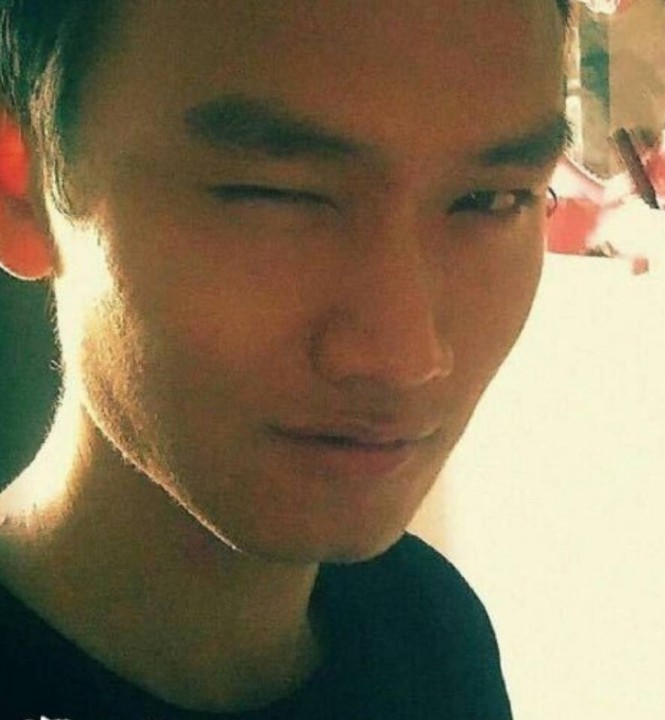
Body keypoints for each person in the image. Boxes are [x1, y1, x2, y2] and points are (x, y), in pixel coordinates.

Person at [0, 1, 571, 718]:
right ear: (19, 192)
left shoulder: (428, 625)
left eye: (490, 200)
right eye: (274, 196)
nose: (405, 356)